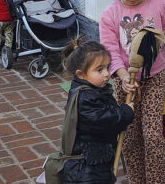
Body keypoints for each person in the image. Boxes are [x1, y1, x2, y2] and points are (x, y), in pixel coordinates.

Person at [99, 0, 165, 184]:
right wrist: (123, 76)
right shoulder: (110, 14)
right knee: (131, 136)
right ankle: (137, 179)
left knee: (153, 135)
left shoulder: (159, 4)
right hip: (125, 82)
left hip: (154, 77)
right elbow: (110, 50)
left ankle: (156, 181)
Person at [56, 39, 135, 183]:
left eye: (107, 67)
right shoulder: (86, 98)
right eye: (100, 70)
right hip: (86, 168)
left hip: (96, 158)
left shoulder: (94, 90)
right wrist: (125, 112)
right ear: (81, 74)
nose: (106, 74)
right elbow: (104, 120)